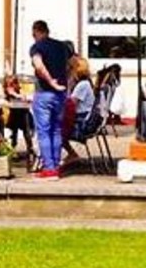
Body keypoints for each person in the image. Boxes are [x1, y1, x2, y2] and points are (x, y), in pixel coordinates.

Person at [29, 20, 70, 181]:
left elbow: (38, 65)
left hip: (44, 93)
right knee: (56, 130)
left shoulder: (37, 47)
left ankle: (49, 169)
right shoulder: (62, 47)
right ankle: (56, 167)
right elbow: (73, 64)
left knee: (44, 131)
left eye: (33, 35)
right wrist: (66, 84)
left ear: (36, 32)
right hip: (61, 95)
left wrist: (51, 81)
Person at [62, 57, 96, 166]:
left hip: (81, 123)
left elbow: (71, 105)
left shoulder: (82, 85)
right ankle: (71, 154)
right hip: (83, 119)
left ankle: (70, 154)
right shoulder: (86, 84)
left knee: (54, 129)